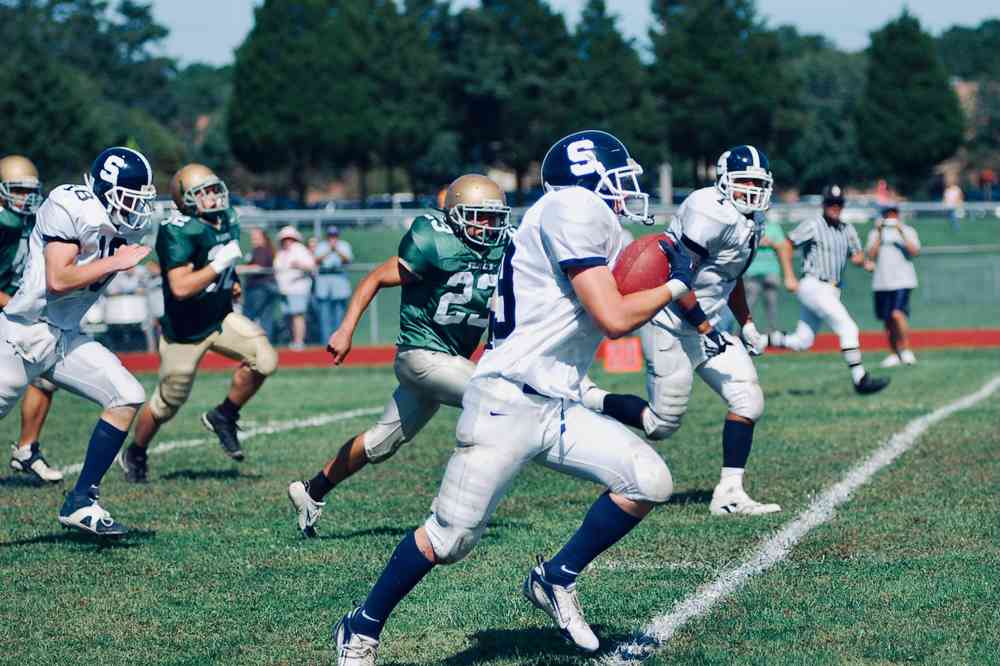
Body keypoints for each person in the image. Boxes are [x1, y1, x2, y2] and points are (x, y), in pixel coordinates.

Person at [329, 130, 695, 664]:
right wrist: (675, 286)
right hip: (506, 402)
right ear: (589, 178)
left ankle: (555, 578)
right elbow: (614, 318)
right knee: (449, 540)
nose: (627, 189)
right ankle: (360, 626)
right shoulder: (572, 206)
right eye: (619, 178)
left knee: (648, 481)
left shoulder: (587, 221)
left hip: (555, 403)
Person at [288, 175, 511, 537]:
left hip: (449, 361)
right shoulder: (434, 241)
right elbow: (374, 277)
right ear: (456, 216)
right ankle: (451, 507)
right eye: (478, 216)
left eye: (494, 217)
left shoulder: (502, 249)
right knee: (495, 401)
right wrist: (346, 330)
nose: (488, 226)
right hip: (420, 355)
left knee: (381, 442)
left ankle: (311, 491)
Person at [586, 145, 783, 516]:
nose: (752, 192)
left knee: (748, 400)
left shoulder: (750, 221)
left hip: (709, 324)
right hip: (670, 324)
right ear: (724, 182)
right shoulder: (708, 211)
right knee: (660, 425)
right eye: (744, 183)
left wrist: (747, 322)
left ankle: (729, 494)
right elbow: (679, 281)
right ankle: (589, 397)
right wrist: (707, 328)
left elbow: (729, 276)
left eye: (758, 184)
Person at [0, 146, 156, 535]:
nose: (136, 207)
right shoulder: (71, 204)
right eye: (130, 197)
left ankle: (81, 501)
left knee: (126, 395)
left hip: (64, 336)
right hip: (23, 335)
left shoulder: (120, 221)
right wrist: (116, 262)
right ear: (106, 187)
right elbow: (58, 279)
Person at [119, 164, 278, 482]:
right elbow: (180, 288)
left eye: (213, 188)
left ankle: (224, 415)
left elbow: (221, 264)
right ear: (185, 199)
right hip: (185, 332)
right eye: (202, 192)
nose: (213, 196)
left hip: (219, 318)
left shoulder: (227, 217)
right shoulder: (176, 228)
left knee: (265, 360)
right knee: (167, 404)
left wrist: (231, 282)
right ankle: (136, 450)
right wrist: (220, 266)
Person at [768, 185, 890, 395]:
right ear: (824, 205)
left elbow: (856, 256)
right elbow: (786, 244)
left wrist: (865, 262)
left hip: (832, 289)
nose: (835, 207)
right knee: (848, 328)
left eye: (838, 203)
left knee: (802, 341)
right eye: (830, 203)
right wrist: (788, 276)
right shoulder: (814, 225)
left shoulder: (847, 229)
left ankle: (755, 341)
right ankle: (860, 379)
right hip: (814, 284)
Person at [0, 154, 63, 483]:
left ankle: (26, 450)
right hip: (8, 308)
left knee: (45, 376)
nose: (26, 198)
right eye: (18, 191)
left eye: (29, 191)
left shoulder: (29, 219)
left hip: (16, 312)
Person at [866, 206, 921, 367]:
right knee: (888, 319)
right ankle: (893, 353)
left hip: (902, 280)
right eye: (887, 214)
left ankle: (906, 350)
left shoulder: (908, 231)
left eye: (893, 214)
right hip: (882, 282)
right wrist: (880, 233)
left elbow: (914, 251)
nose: (890, 217)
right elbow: (871, 255)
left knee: (898, 314)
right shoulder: (875, 233)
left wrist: (900, 231)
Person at [742, 216, 795, 334]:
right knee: (748, 305)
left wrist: (771, 243)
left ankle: (772, 333)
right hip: (752, 272)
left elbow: (783, 246)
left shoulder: (773, 226)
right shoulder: (747, 225)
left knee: (771, 304)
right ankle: (743, 332)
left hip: (771, 270)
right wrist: (757, 242)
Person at [274, 225, 316, 349]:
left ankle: (299, 342)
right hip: (284, 289)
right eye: (285, 239)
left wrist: (299, 265)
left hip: (298, 288)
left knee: (298, 315)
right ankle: (292, 340)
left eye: (290, 238)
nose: (287, 241)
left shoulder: (300, 249)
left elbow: (311, 266)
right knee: (288, 316)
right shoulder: (281, 253)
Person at [312, 225, 354, 341]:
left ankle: (339, 340)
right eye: (330, 235)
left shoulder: (344, 245)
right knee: (324, 315)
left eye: (334, 235)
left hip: (339, 279)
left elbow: (348, 260)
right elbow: (316, 260)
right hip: (324, 280)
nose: (332, 238)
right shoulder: (321, 246)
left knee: (339, 315)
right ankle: (326, 342)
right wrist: (329, 250)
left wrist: (336, 250)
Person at [241, 227, 279, 340]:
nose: (253, 239)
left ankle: (248, 343)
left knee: (248, 317)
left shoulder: (260, 250)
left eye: (256, 237)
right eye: (252, 237)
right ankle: (267, 344)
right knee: (266, 318)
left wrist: (240, 268)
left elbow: (258, 266)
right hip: (267, 287)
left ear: (263, 238)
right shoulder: (267, 250)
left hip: (259, 288)